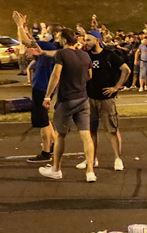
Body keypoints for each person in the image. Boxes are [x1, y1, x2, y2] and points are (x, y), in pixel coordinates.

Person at [33, 27, 97, 182]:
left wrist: (47, 96)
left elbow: (56, 75)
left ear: (63, 39)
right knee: (86, 135)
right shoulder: (84, 55)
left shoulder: (62, 54)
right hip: (83, 98)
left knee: (61, 135)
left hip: (67, 100)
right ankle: (90, 171)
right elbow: (89, 76)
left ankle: (56, 169)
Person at [75, 30, 130, 172]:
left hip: (106, 99)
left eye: (88, 40)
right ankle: (92, 159)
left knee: (111, 130)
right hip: (89, 97)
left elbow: (126, 70)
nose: (85, 43)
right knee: (91, 131)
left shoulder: (109, 55)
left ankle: (118, 158)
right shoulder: (85, 55)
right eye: (85, 40)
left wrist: (116, 87)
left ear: (97, 40)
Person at [23, 29, 58, 164]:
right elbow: (29, 42)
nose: (28, 50)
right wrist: (23, 28)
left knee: (43, 121)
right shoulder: (43, 54)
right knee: (45, 120)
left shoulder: (47, 49)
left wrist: (20, 27)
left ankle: (46, 152)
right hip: (42, 89)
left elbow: (28, 42)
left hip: (42, 90)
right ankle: (54, 144)